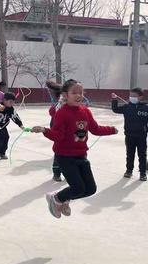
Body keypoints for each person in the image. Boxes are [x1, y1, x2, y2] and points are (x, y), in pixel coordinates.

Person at [32, 79, 118, 218]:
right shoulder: (62, 113)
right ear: (66, 95)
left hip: (81, 155)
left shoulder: (86, 111)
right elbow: (58, 136)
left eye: (81, 92)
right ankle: (56, 198)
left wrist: (111, 130)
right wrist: (44, 130)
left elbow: (95, 129)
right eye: (74, 93)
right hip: (65, 157)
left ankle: (64, 199)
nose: (79, 95)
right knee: (78, 188)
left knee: (90, 189)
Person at [111, 88, 148, 181]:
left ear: (140, 97)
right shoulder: (126, 107)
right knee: (130, 154)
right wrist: (114, 99)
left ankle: (143, 173)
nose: (132, 98)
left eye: (134, 96)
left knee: (142, 155)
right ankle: (129, 170)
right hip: (129, 135)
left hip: (141, 136)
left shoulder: (145, 108)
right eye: (130, 96)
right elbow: (115, 109)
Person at [0, 92, 23, 160]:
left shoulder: (10, 109)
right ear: (4, 100)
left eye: (13, 102)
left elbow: (14, 116)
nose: (12, 104)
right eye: (10, 102)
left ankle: (2, 153)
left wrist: (20, 124)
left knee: (6, 137)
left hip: (3, 126)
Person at [46, 80, 65, 182]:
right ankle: (57, 173)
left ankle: (69, 172)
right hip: (58, 129)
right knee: (60, 151)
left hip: (70, 131)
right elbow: (53, 112)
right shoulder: (61, 102)